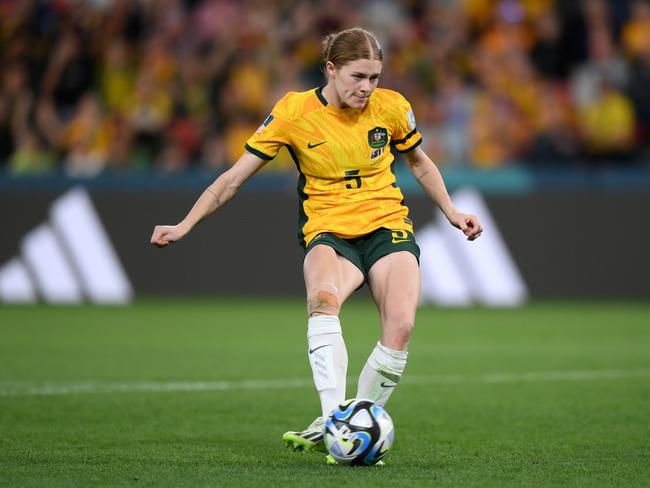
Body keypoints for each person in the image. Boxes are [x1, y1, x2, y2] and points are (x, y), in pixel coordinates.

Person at [150, 27, 483, 464]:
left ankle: (350, 422)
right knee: (323, 302)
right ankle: (335, 425)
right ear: (331, 68)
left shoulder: (393, 108)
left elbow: (419, 163)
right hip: (328, 230)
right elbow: (232, 179)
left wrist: (452, 211)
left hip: (387, 226)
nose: (367, 88)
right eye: (358, 76)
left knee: (400, 327)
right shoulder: (294, 112)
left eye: (375, 77)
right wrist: (185, 224)